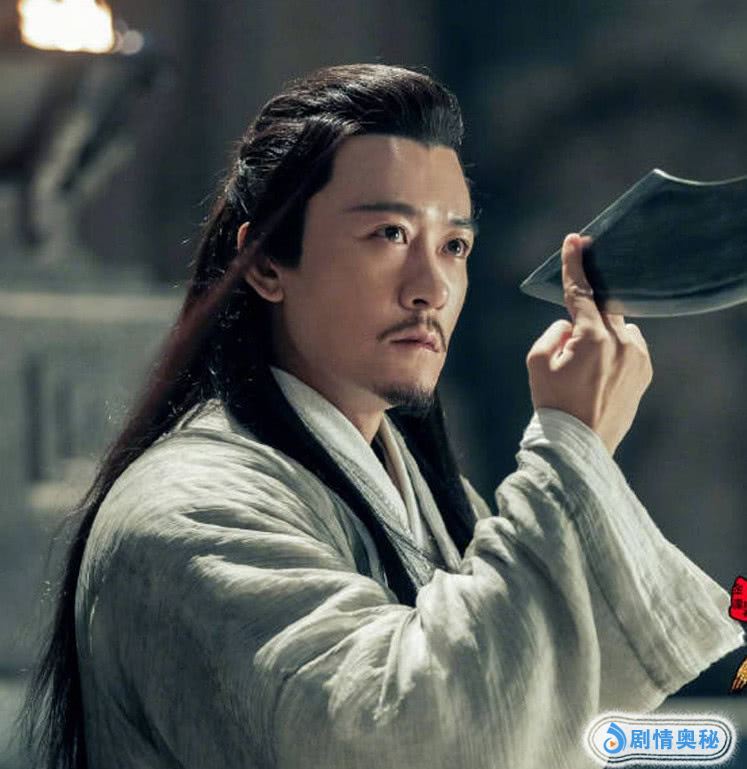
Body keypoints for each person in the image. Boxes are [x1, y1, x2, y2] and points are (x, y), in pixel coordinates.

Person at [21, 63, 744, 769]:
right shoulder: (186, 512)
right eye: (390, 234)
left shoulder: (434, 502)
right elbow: (418, 741)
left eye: (453, 245)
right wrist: (570, 445)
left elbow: (552, 716)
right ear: (267, 263)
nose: (431, 288)